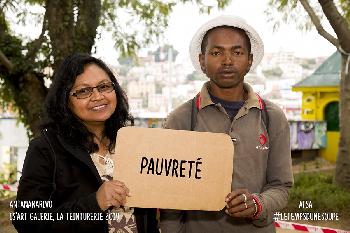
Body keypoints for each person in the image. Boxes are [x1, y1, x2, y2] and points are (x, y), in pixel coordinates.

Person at [160, 15, 293, 233]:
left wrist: (258, 205)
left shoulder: (272, 117)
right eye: (216, 52)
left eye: (237, 52)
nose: (228, 61)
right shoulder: (181, 119)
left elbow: (281, 187)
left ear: (249, 60)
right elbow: (169, 197)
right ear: (202, 61)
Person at [12, 54, 159, 233]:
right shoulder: (46, 149)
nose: (98, 96)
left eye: (104, 87)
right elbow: (27, 220)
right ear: (65, 100)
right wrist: (95, 203)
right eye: (83, 91)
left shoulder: (131, 142)